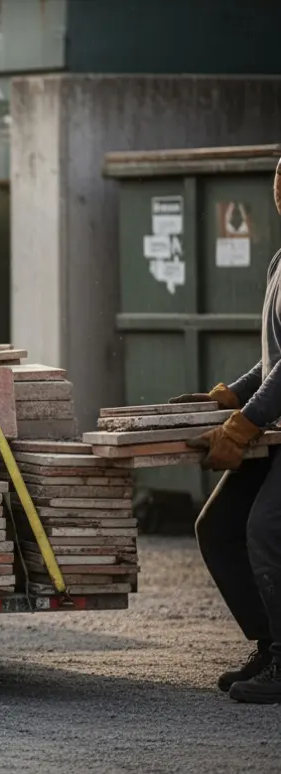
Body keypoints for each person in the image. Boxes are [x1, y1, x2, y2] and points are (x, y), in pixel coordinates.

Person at [173, 157, 281, 704]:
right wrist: (229, 397)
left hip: (272, 427)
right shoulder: (280, 263)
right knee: (218, 526)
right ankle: (269, 644)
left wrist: (242, 426)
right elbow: (274, 359)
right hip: (276, 427)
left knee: (267, 530)